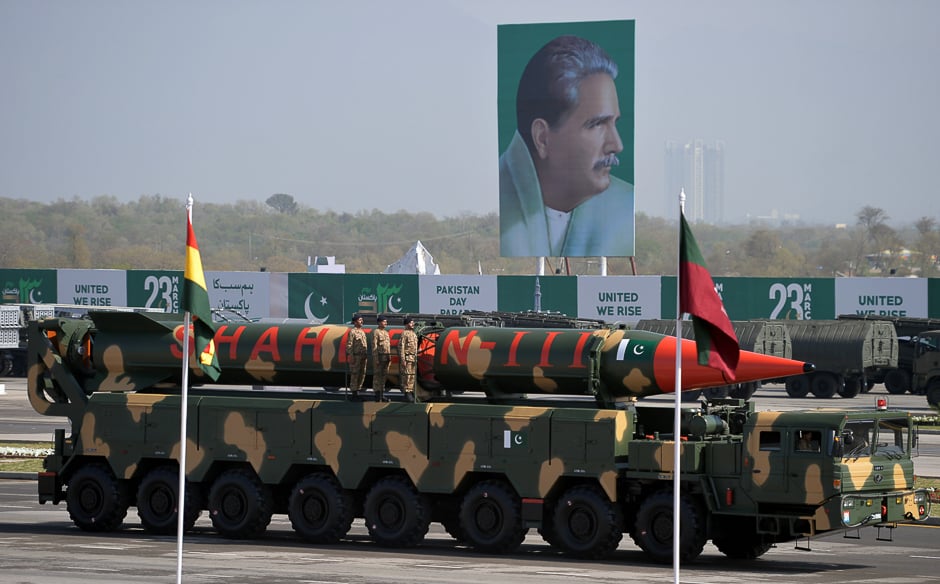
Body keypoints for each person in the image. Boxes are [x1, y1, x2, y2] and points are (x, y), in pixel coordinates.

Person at [499, 34, 634, 258]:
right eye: (597, 124)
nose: (616, 145)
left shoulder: (625, 210)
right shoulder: (498, 216)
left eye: (614, 123)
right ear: (542, 138)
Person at [345, 313, 368, 401]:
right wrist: (351, 356)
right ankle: (354, 393)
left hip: (362, 357)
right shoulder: (352, 332)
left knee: (362, 374)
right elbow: (349, 345)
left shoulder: (362, 332)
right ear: (355, 322)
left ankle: (358, 391)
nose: (361, 321)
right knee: (355, 374)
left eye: (362, 320)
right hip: (356, 356)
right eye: (359, 320)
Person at [371, 315, 391, 402]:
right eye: (384, 321)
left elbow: (388, 346)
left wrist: (389, 357)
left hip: (386, 358)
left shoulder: (386, 333)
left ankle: (382, 394)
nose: (386, 323)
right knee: (377, 376)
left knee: (383, 377)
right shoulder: (376, 332)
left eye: (386, 321)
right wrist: (376, 359)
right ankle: (377, 394)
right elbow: (374, 346)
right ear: (379, 322)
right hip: (379, 358)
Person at [398, 316, 418, 402]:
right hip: (407, 358)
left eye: (413, 322)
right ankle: (407, 392)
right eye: (411, 322)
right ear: (406, 324)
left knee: (412, 376)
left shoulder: (413, 334)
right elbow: (401, 347)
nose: (412, 324)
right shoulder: (404, 334)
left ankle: (411, 390)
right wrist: (403, 359)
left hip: (413, 358)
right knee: (407, 375)